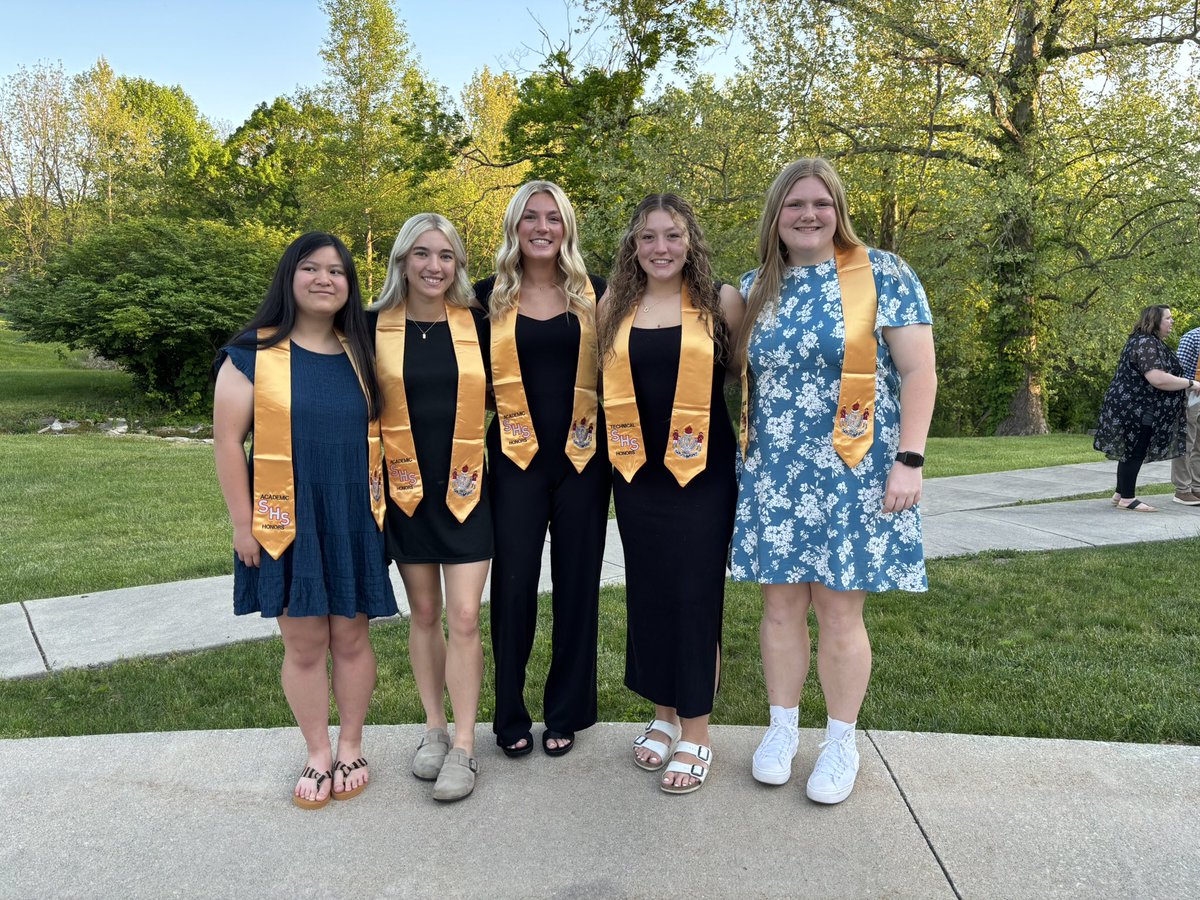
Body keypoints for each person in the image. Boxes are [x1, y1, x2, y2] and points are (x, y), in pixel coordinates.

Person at [731, 158, 937, 805]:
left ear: (838, 209)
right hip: (777, 473)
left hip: (855, 471)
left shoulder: (882, 274)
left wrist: (911, 458)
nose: (809, 214)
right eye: (795, 204)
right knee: (780, 609)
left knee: (841, 611)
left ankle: (840, 741)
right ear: (776, 215)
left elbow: (919, 373)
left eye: (821, 202)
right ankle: (782, 730)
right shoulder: (753, 288)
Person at [212, 232, 396, 810]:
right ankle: (316, 751)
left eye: (337, 271)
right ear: (289, 278)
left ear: (350, 284)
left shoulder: (363, 352)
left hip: (352, 516)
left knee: (351, 635)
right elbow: (225, 443)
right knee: (304, 641)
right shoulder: (251, 354)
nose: (325, 279)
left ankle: (351, 744)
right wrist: (243, 526)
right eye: (311, 269)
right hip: (284, 521)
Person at [597, 193, 745, 794]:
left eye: (673, 236)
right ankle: (662, 716)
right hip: (636, 475)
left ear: (691, 242)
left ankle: (698, 732)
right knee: (651, 591)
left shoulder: (719, 301)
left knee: (695, 593)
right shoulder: (614, 303)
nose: (661, 248)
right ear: (634, 244)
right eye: (649, 237)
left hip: (702, 472)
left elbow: (740, 374)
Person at [475, 181, 611, 758]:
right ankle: (509, 714)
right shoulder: (483, 298)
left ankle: (566, 711)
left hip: (584, 457)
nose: (541, 227)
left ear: (567, 227)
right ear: (513, 225)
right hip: (513, 462)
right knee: (513, 590)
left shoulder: (597, 294)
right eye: (529, 217)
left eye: (552, 218)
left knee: (578, 586)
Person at [371, 214, 492, 801]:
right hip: (405, 490)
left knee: (464, 616)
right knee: (423, 613)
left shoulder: (479, 324)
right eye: (421, 254)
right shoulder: (372, 328)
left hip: (468, 487)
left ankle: (466, 746)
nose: (434, 266)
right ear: (401, 262)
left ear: (459, 264)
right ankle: (435, 730)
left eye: (446, 255)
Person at [1094, 305, 1195, 511]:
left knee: (1131, 449)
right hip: (1136, 406)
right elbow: (1157, 378)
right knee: (1136, 449)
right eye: (1168, 318)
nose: (1172, 322)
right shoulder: (1146, 343)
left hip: (1136, 404)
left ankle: (1120, 493)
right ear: (1155, 321)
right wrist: (1191, 383)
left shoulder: (1145, 341)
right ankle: (1128, 499)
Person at [1169, 322, 1200, 505]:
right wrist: (1190, 385)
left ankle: (1197, 486)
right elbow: (1178, 369)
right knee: (1186, 441)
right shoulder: (1193, 337)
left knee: (1199, 444)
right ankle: (1182, 489)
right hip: (1191, 394)